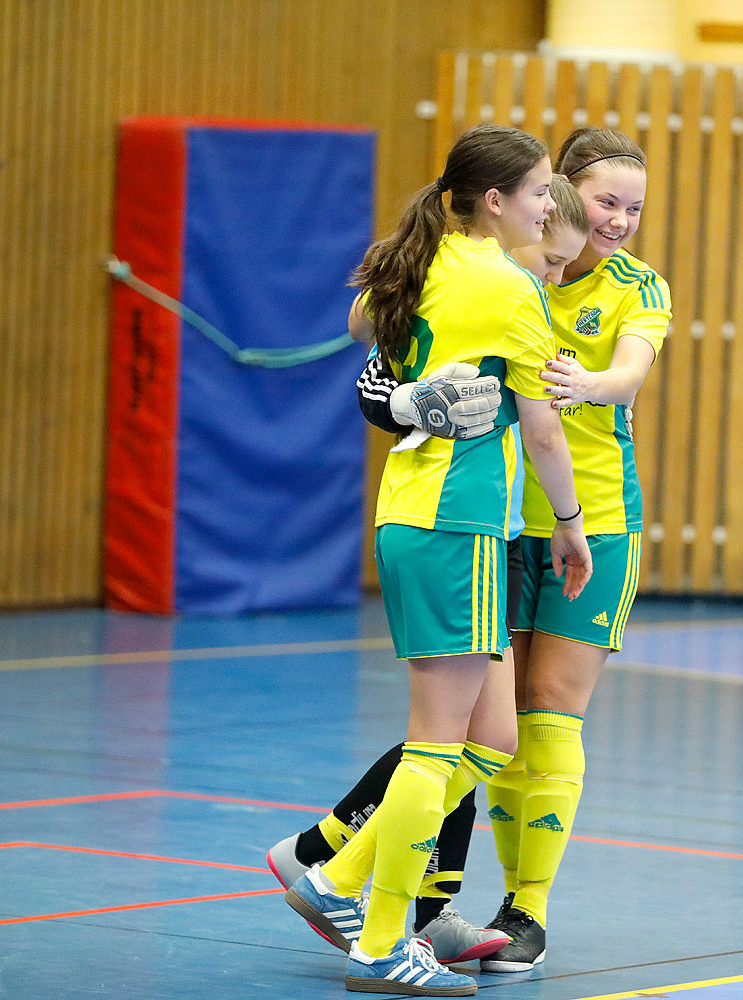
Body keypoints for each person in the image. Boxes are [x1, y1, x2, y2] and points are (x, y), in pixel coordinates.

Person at [280, 125, 592, 997]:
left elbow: (359, 325)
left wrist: (404, 383)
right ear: (496, 202)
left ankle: (338, 880)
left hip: (424, 517)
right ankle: (382, 941)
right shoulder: (505, 288)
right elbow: (541, 429)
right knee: (436, 743)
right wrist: (568, 523)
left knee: (490, 740)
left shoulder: (425, 257)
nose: (547, 203)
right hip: (455, 525)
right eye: (537, 190)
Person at [480, 127, 669, 974]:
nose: (621, 220)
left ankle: (527, 911)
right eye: (606, 201)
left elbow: (629, 370)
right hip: (496, 519)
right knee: (495, 723)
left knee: (551, 706)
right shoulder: (512, 268)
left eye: (633, 206)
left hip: (597, 522)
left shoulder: (638, 287)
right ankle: (435, 888)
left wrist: (592, 385)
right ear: (559, 192)